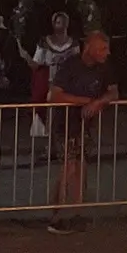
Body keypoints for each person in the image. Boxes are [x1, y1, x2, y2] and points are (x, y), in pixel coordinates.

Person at [45, 30, 118, 234]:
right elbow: (54, 96)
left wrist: (99, 102)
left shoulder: (104, 68)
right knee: (68, 168)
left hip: (86, 125)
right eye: (102, 48)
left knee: (81, 168)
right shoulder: (70, 66)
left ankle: (76, 213)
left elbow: (113, 91)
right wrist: (87, 102)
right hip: (65, 123)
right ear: (89, 48)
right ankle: (57, 215)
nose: (107, 52)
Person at [30, 11, 78, 102]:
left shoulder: (73, 44)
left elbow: (77, 64)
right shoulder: (45, 42)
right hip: (48, 81)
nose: (61, 25)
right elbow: (36, 63)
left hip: (67, 83)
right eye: (58, 22)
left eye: (64, 22)